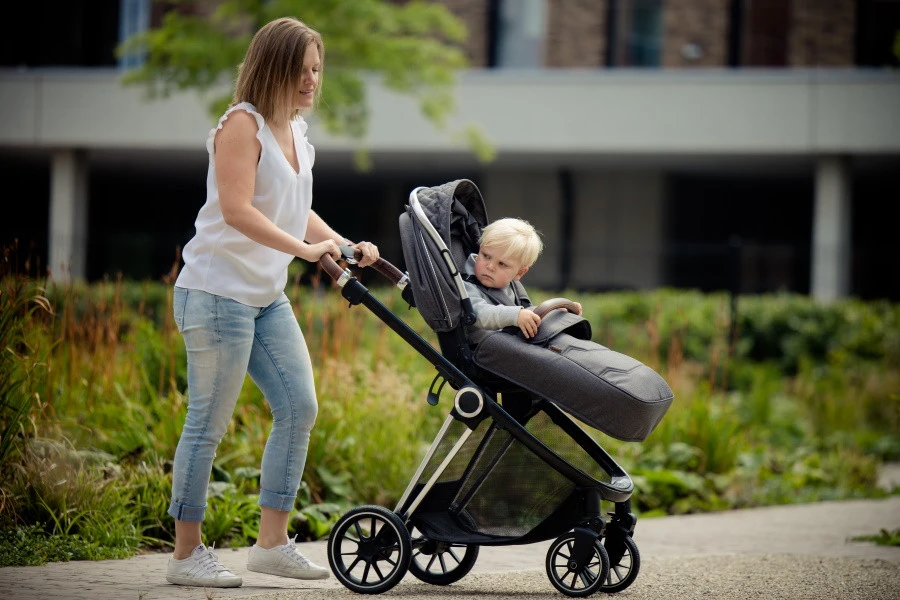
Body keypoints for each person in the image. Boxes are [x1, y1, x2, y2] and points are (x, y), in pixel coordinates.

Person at [165, 17, 379, 589]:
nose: (313, 80)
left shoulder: (297, 132)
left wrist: (339, 245)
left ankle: (271, 545)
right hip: (216, 294)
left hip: (264, 298)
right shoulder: (243, 126)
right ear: (275, 67)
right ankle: (186, 555)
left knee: (299, 407)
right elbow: (238, 210)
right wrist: (306, 252)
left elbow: (295, 208)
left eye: (317, 69)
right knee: (207, 423)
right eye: (303, 69)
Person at [462, 217, 581, 345]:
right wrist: (515, 316)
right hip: (484, 350)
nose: (490, 267)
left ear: (519, 273)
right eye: (486, 256)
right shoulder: (467, 284)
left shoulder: (508, 285)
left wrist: (554, 313)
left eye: (502, 264)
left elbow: (524, 312)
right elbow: (479, 313)